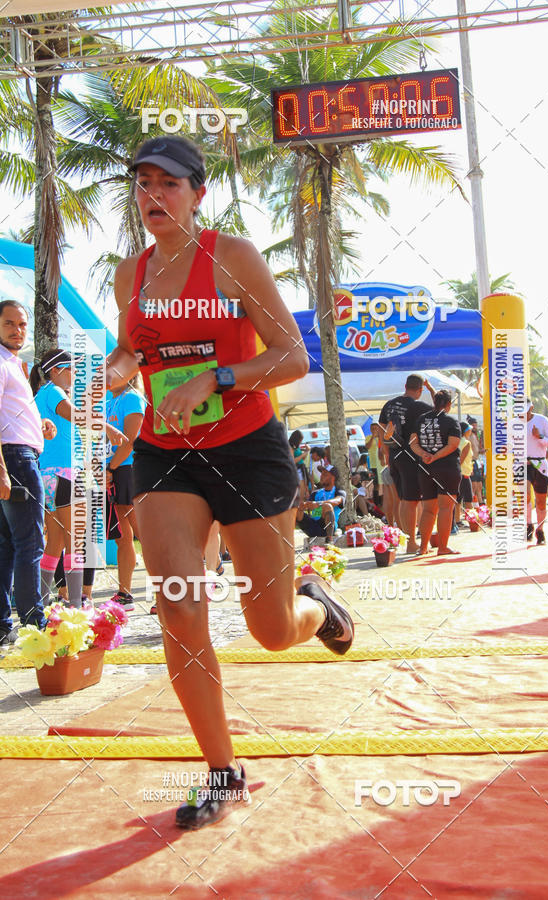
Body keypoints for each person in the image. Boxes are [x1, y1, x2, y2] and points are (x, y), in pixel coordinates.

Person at [103, 135, 354, 829]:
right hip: (165, 452)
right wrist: (116, 372)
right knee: (179, 608)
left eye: (169, 184)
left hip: (248, 450)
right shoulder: (131, 275)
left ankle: (318, 606)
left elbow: (292, 357)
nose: (154, 195)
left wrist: (215, 377)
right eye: (143, 183)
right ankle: (222, 770)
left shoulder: (232, 257)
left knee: (271, 631)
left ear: (198, 193)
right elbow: (134, 350)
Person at [31, 349, 124, 608]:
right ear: (57, 370)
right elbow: (77, 417)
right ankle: (75, 606)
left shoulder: (43, 394)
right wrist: (108, 427)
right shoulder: (55, 393)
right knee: (76, 539)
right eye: (71, 368)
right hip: (64, 474)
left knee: (56, 541)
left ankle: (38, 607)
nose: (75, 373)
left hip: (48, 475)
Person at [0, 301, 56, 642]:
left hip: (19, 455)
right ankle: (35, 625)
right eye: (9, 323)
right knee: (31, 543)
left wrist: (40, 424)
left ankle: (4, 626)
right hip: (15, 460)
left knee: (8, 545)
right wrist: (3, 469)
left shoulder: (15, 365)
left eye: (22, 324)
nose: (17, 329)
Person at [379, 374, 435, 553]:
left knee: (404, 499)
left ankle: (407, 539)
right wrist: (431, 388)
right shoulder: (418, 406)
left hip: (394, 457)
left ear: (405, 385)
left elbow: (382, 431)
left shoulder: (389, 405)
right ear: (420, 390)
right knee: (411, 500)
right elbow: (440, 409)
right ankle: (411, 543)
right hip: (411, 457)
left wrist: (387, 454)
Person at [105, 375, 146, 610]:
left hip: (130, 468)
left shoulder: (132, 397)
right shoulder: (110, 401)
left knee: (146, 534)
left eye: (112, 369)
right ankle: (125, 593)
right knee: (122, 536)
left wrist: (111, 467)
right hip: (115, 469)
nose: (107, 375)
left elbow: (131, 440)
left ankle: (167, 590)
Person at [410, 389, 461, 556]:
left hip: (425, 469)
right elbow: (453, 445)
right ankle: (443, 547)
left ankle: (423, 547)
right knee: (446, 508)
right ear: (448, 404)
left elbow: (412, 443)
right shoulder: (450, 421)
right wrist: (435, 455)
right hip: (447, 468)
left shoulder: (421, 420)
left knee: (428, 509)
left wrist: (424, 454)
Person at [526, 398, 548, 544]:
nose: (523, 414)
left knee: (541, 501)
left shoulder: (542, 420)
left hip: (539, 463)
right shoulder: (513, 424)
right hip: (522, 463)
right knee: (524, 497)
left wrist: (540, 437)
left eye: (525, 411)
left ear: (531, 407)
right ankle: (528, 525)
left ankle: (540, 529)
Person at [296, 466, 346, 542]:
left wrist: (318, 504)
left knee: (327, 506)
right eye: (321, 474)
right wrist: (304, 505)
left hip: (327, 527)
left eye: (325, 474)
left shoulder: (339, 491)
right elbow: (309, 508)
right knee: (295, 509)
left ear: (333, 478)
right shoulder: (316, 493)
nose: (321, 476)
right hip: (313, 526)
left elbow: (337, 501)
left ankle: (329, 540)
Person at [456, 421, 474, 527]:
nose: (470, 431)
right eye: (469, 429)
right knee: (468, 499)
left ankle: (458, 521)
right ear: (465, 431)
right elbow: (461, 459)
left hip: (460, 473)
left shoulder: (457, 441)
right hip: (463, 474)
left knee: (458, 499)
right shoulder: (466, 443)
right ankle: (472, 520)